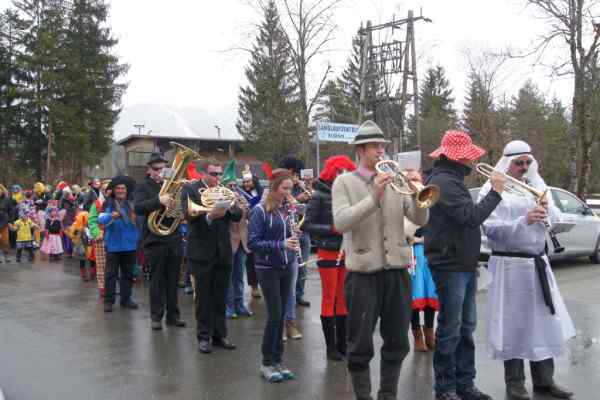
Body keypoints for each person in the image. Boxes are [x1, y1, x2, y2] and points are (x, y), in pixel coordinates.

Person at [332, 120, 428, 400]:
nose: (381, 152)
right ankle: (363, 396)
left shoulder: (397, 179)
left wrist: (418, 194)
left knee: (398, 341)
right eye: (375, 147)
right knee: (360, 344)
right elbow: (340, 222)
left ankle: (388, 395)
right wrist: (374, 195)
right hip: (363, 274)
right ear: (360, 150)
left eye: (383, 147)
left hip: (398, 272)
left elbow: (419, 220)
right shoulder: (344, 182)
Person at [478, 140, 575, 400]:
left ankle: (545, 381)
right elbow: (488, 229)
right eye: (518, 163)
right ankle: (515, 384)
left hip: (537, 263)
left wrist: (547, 214)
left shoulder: (536, 185)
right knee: (513, 326)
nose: (523, 167)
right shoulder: (492, 187)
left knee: (543, 323)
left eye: (527, 162)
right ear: (506, 162)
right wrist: (524, 220)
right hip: (509, 266)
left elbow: (555, 219)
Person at [423, 130, 505, 400]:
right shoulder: (444, 182)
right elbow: (471, 217)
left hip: (463, 263)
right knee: (451, 329)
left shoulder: (452, 180)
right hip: (450, 264)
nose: (472, 162)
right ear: (456, 158)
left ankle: (465, 383)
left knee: (465, 328)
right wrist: (495, 192)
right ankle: (445, 388)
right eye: (468, 157)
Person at [181, 160, 243, 353]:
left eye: (219, 174)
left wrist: (236, 205)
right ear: (203, 173)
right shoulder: (191, 189)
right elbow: (188, 215)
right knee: (203, 297)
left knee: (220, 295)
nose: (217, 178)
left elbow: (236, 216)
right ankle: (204, 336)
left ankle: (220, 335)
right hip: (201, 252)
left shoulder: (224, 190)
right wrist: (209, 216)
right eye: (213, 174)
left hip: (223, 251)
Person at [248, 170, 299, 383]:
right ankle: (266, 362)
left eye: (290, 189)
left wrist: (295, 236)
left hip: (286, 265)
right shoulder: (260, 210)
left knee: (282, 316)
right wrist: (281, 244)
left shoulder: (286, 210)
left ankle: (278, 360)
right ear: (274, 187)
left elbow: (287, 235)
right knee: (275, 316)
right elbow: (253, 243)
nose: (288, 193)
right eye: (284, 189)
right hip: (267, 268)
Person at [305, 155, 356, 362]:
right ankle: (331, 347)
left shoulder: (347, 194)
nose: (341, 175)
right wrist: (332, 229)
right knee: (329, 298)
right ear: (331, 172)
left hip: (346, 251)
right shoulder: (318, 196)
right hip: (328, 251)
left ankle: (342, 344)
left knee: (343, 298)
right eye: (338, 171)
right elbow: (307, 225)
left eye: (345, 172)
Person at [134, 152, 186, 331]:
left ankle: (173, 315)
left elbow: (179, 211)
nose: (160, 171)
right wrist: (159, 200)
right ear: (149, 170)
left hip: (173, 237)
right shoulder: (143, 187)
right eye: (156, 169)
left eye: (163, 167)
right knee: (157, 280)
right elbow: (139, 208)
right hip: (154, 239)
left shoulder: (173, 186)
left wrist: (178, 210)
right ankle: (156, 317)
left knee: (173, 280)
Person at [99, 175, 140, 313]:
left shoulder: (133, 204)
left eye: (123, 188)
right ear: (114, 190)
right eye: (118, 188)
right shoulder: (108, 204)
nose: (121, 190)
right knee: (111, 274)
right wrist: (110, 216)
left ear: (127, 190)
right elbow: (100, 219)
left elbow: (139, 222)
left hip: (130, 244)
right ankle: (109, 301)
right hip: (113, 244)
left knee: (128, 274)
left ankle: (126, 299)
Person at [222, 165, 253, 318]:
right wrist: (232, 205)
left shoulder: (241, 198)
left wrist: (246, 207)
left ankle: (240, 304)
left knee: (239, 276)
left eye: (235, 185)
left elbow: (250, 218)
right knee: (228, 276)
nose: (234, 188)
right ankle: (229, 307)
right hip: (229, 242)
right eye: (230, 185)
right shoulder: (222, 200)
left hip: (242, 242)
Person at [405, 220, 438, 352]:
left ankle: (429, 331)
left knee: (430, 292)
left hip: (430, 251)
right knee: (416, 293)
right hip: (414, 252)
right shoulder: (407, 204)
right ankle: (417, 334)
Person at [238, 167, 264, 299]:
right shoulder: (239, 193)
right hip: (248, 231)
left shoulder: (262, 192)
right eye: (245, 182)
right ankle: (254, 286)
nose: (247, 184)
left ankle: (265, 284)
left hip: (262, 230)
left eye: (249, 181)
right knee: (250, 260)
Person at [88, 180, 111, 297]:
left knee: (115, 265)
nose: (106, 191)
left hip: (115, 238)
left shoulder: (118, 202)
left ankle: (114, 287)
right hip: (101, 238)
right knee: (102, 265)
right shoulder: (96, 204)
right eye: (104, 189)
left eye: (108, 189)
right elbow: (91, 221)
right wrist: (97, 233)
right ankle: (103, 288)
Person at [0, 185, 15, 263]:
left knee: (5, 240)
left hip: (4, 222)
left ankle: (6, 256)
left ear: (2, 191)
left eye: (0, 190)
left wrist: (10, 222)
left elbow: (11, 212)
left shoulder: (7, 200)